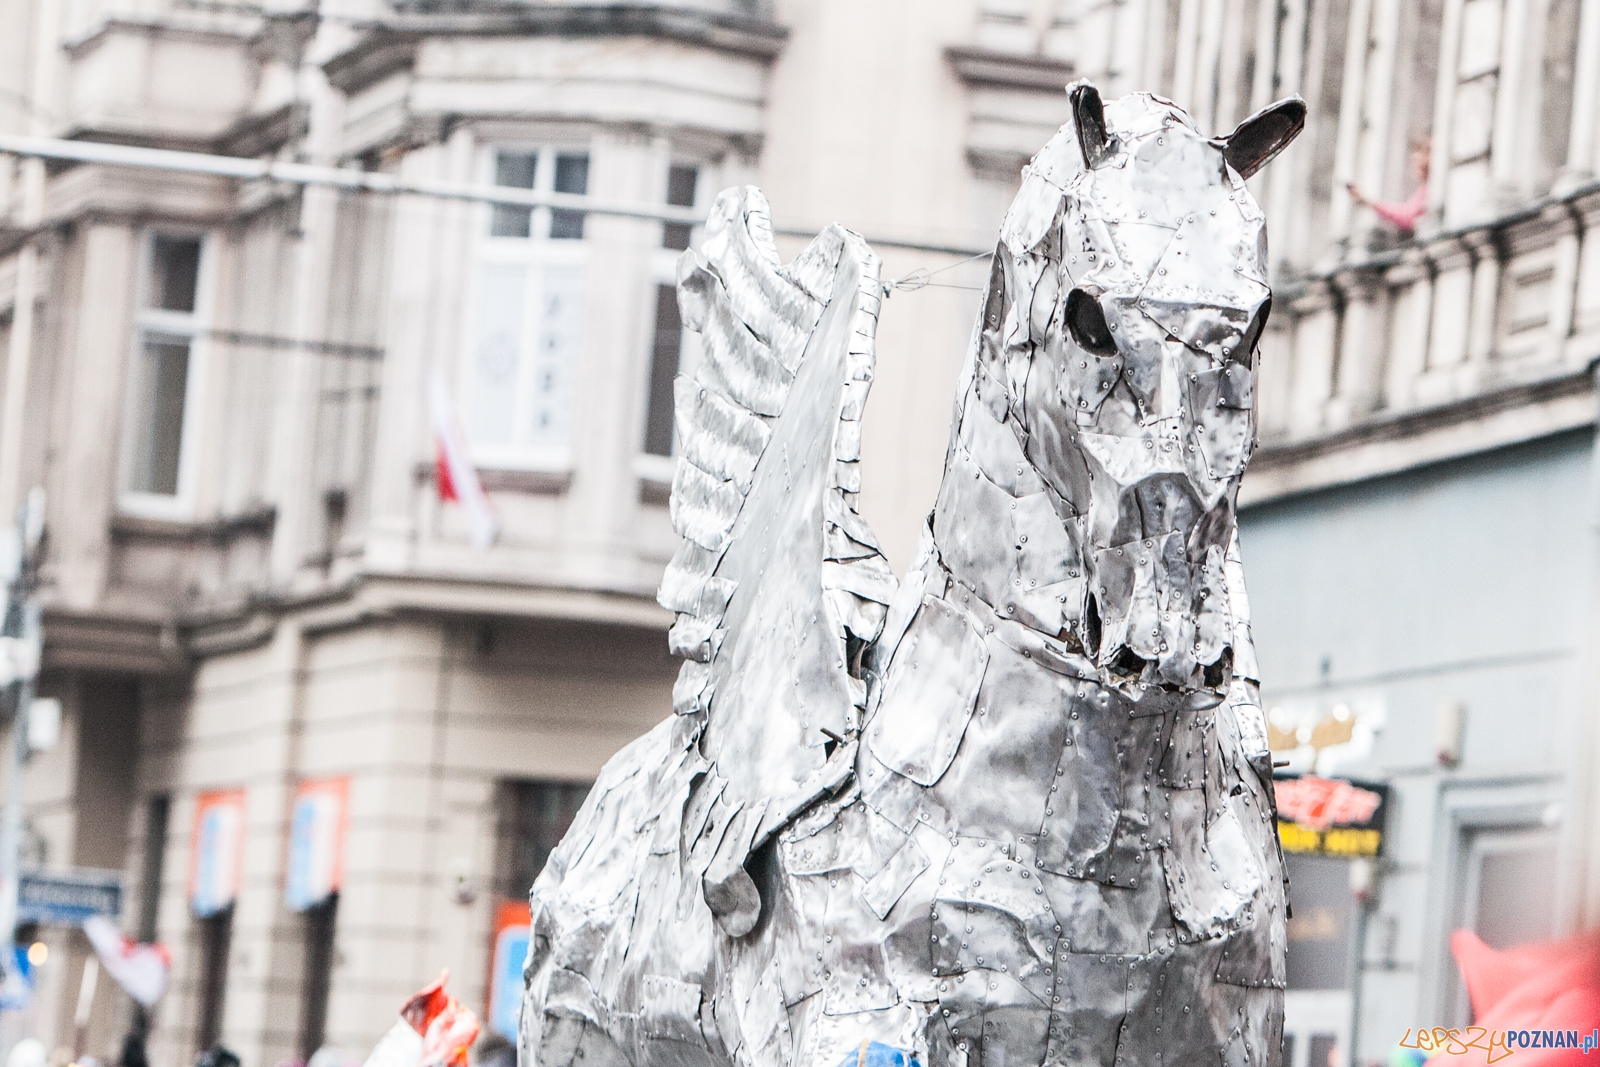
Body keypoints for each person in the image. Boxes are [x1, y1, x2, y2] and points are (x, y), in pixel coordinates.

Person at [1346, 135, 1431, 234]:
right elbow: (1405, 213)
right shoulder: (1424, 190)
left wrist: (1369, 202)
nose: (1413, 167)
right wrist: (1367, 201)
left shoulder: (1430, 190)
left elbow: (1406, 217)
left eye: (1416, 161)